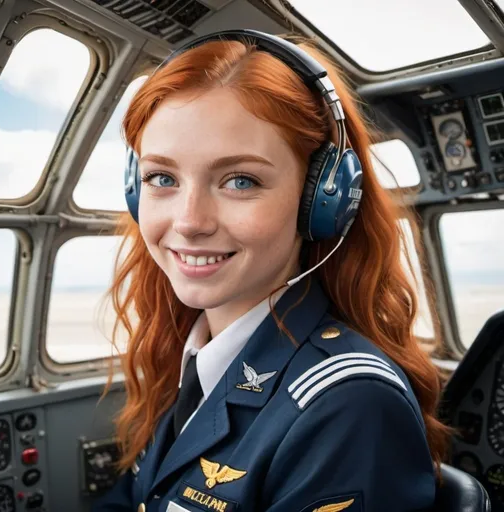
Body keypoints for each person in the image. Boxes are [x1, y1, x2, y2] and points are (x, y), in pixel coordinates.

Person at [93, 29, 450, 512]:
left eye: (240, 180)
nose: (189, 221)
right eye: (163, 178)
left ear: (320, 201)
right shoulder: (193, 355)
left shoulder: (348, 405)